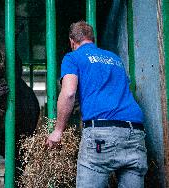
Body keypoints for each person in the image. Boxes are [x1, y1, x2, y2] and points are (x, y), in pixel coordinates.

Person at [46, 21, 148, 188]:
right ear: (93, 39)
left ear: (72, 41)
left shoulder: (72, 57)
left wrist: (58, 130)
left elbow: (69, 92)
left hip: (102, 133)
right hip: (135, 133)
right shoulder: (115, 59)